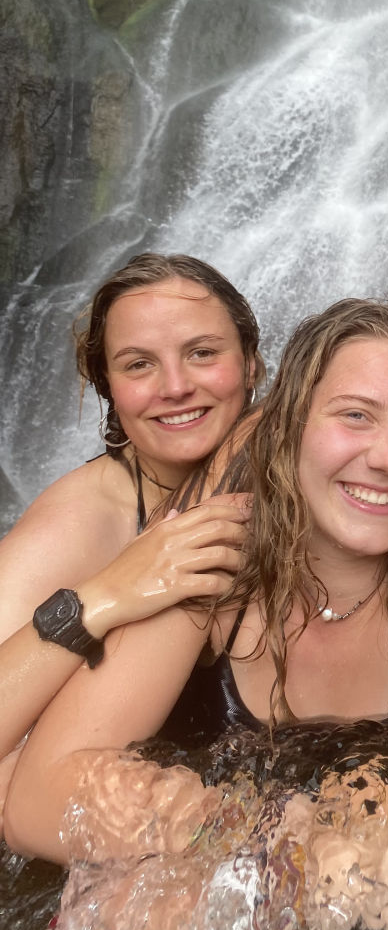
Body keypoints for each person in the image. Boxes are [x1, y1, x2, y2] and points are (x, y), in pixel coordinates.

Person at [4, 300, 388, 930]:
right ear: (290, 427)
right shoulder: (212, 552)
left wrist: (323, 883)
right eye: (355, 415)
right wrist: (247, 841)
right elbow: (40, 795)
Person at [0, 253, 261, 791]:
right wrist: (104, 595)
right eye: (139, 364)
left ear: (252, 363)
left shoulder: (320, 471)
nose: (175, 386)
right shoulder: (77, 523)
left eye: (202, 353)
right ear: (109, 389)